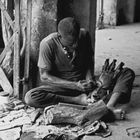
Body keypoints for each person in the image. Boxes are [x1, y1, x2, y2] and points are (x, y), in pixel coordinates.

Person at [24, 17, 135, 110]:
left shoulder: (84, 35)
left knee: (127, 73)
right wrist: (75, 85)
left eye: (77, 39)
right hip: (64, 87)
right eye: (71, 43)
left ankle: (109, 105)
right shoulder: (48, 44)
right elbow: (44, 77)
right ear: (59, 36)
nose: (76, 45)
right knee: (30, 97)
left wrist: (91, 80)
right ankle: (79, 101)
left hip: (86, 86)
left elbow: (88, 62)